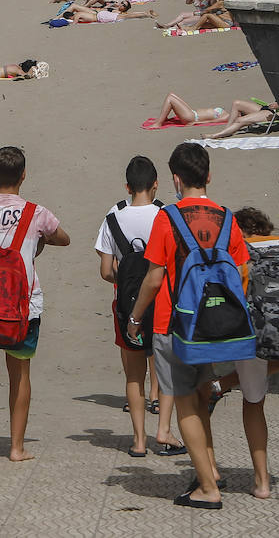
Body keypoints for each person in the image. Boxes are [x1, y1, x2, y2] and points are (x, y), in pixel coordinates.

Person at [125, 143, 250, 510]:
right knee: (199, 395)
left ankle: (208, 488)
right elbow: (242, 271)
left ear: (176, 179)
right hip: (212, 325)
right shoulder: (227, 217)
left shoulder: (168, 218)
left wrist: (135, 319)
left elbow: (154, 277)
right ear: (208, 176)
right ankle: (209, 468)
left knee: (185, 404)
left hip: (173, 323)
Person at [0, 146, 71, 467]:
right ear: (23, 175)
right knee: (19, 376)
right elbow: (64, 238)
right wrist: (38, 243)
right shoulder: (36, 213)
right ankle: (16, 447)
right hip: (23, 310)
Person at [206, 207, 279, 498]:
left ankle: (261, 483)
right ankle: (226, 383)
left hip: (253, 341)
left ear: (241, 232)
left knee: (254, 401)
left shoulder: (240, 254)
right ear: (266, 228)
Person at [95, 157, 186, 458]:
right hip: (163, 302)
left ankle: (138, 440)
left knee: (132, 375)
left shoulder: (113, 217)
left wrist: (124, 280)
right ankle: (163, 424)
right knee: (163, 363)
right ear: (156, 183)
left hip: (126, 302)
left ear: (127, 187)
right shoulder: (166, 215)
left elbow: (106, 270)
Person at [204, 99, 279, 140]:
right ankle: (227, 130)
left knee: (240, 120)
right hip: (268, 108)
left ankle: (216, 135)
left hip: (275, 114)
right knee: (236, 103)